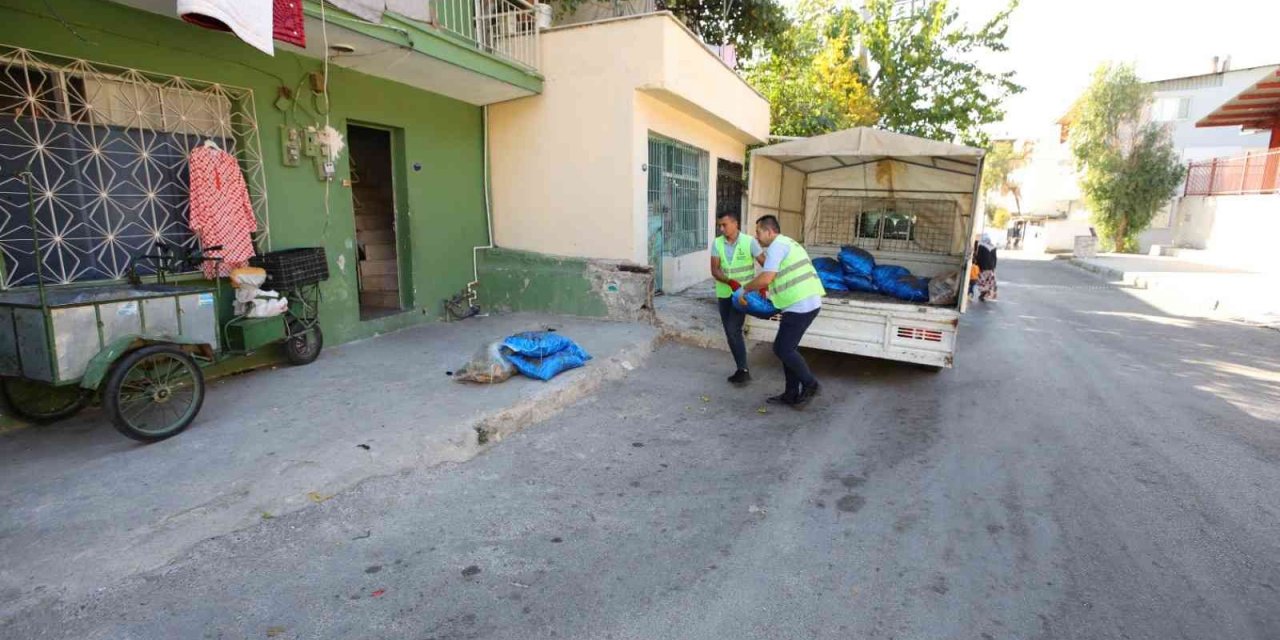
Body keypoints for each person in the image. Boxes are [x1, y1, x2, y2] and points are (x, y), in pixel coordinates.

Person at [738, 215, 826, 408]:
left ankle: (810, 384)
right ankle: (791, 393)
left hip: (800, 305)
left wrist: (745, 289)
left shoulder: (777, 246)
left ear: (770, 231)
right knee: (788, 349)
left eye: (758, 232)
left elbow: (766, 278)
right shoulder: (788, 243)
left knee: (782, 349)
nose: (756, 236)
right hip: (803, 302)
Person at [710, 212, 765, 384]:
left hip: (743, 295)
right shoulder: (717, 243)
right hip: (724, 294)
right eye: (719, 225)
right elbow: (715, 269)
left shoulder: (749, 242)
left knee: (733, 329)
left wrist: (764, 284)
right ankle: (741, 368)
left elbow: (766, 263)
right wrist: (729, 282)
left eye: (724, 225)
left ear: (735, 224)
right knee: (730, 332)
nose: (721, 229)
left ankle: (743, 370)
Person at [975, 233, 999, 301]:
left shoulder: (981, 246)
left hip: (982, 267)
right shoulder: (993, 247)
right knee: (988, 281)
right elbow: (995, 258)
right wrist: (994, 267)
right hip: (990, 267)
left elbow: (979, 257)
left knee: (981, 281)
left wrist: (977, 264)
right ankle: (986, 293)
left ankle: (983, 292)